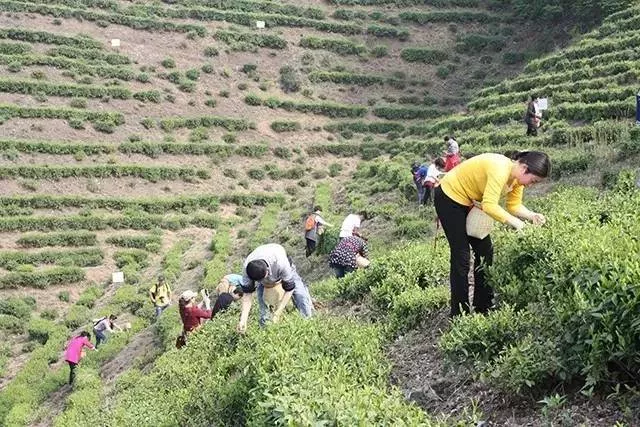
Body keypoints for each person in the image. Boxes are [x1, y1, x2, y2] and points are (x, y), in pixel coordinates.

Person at [434, 151, 551, 317]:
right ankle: (459, 313)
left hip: (470, 201)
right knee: (461, 256)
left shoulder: (517, 180)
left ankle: (484, 306)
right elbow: (489, 205)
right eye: (533, 180)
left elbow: (514, 205)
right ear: (524, 168)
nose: (531, 185)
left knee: (485, 252)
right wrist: (517, 224)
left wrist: (532, 216)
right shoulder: (500, 168)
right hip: (449, 197)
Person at [237, 243, 313, 333]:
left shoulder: (280, 263)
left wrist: (278, 312)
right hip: (263, 264)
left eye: (263, 278)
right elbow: (247, 295)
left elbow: (289, 289)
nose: (265, 281)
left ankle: (308, 325)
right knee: (264, 306)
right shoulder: (247, 269)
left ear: (267, 271)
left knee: (301, 295)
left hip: (280, 262)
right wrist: (243, 320)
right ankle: (265, 330)